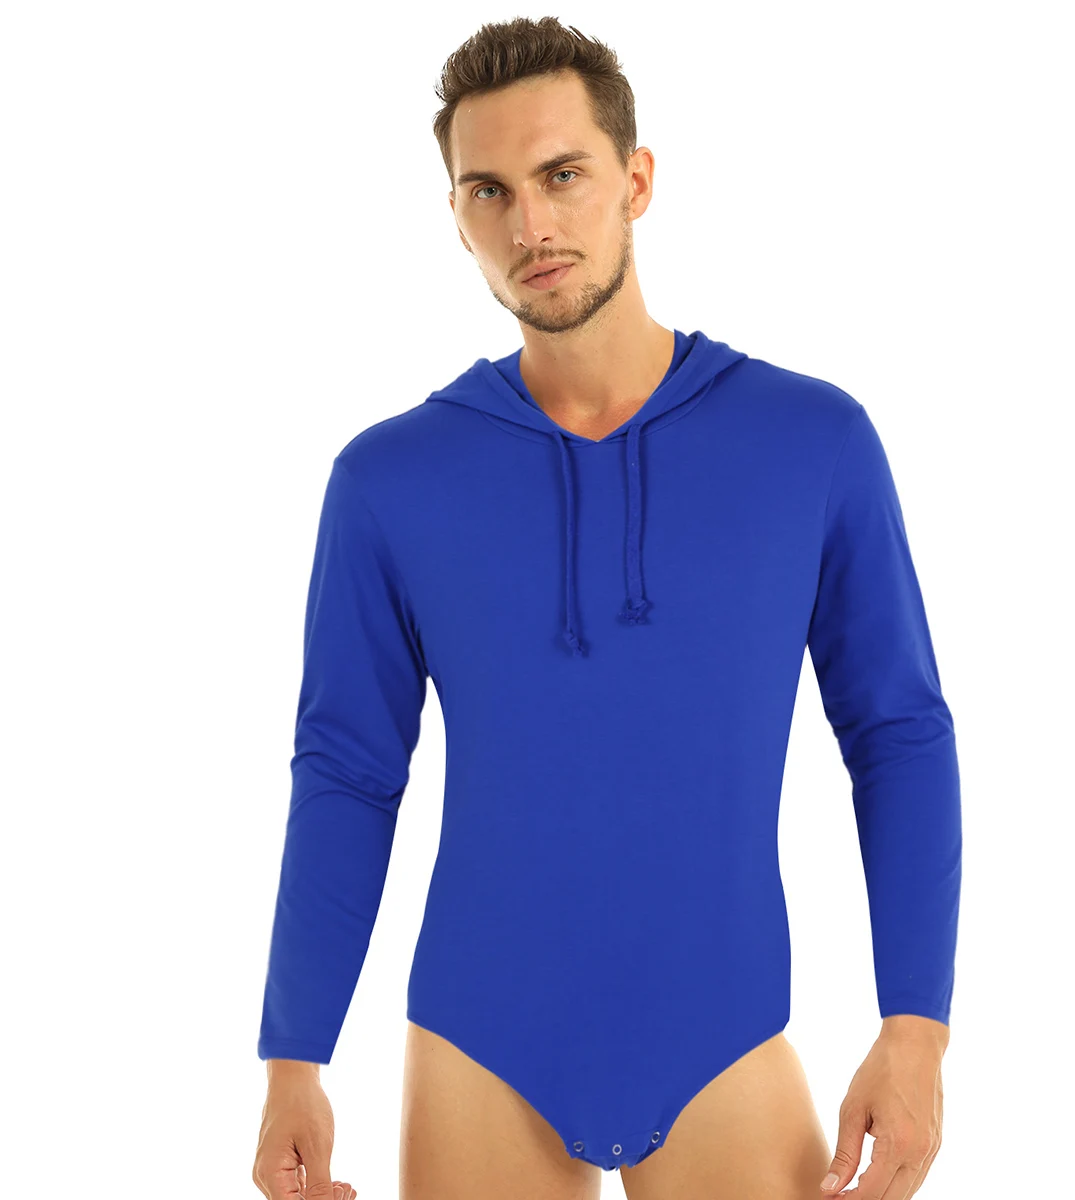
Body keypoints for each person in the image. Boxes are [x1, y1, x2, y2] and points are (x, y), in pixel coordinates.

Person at [251, 16, 961, 1200]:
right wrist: (294, 1061)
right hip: (478, 1044)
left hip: (725, 1036)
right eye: (489, 190)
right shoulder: (390, 482)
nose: (530, 225)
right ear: (457, 218)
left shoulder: (811, 443)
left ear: (636, 181)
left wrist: (917, 1030)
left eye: (562, 175)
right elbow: (347, 772)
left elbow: (899, 733)